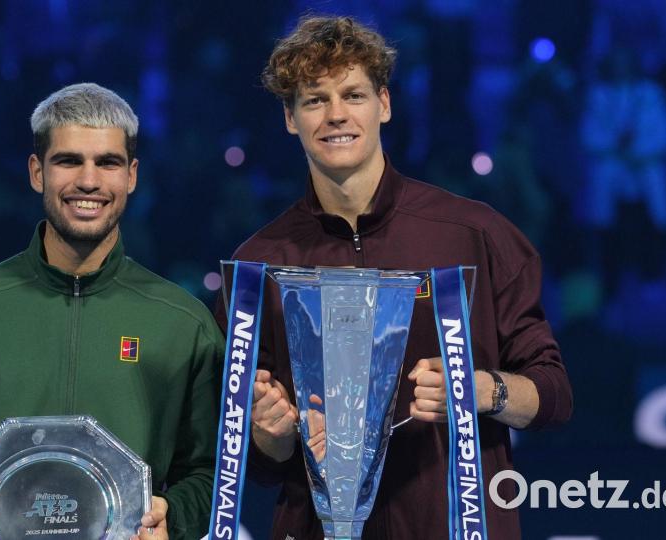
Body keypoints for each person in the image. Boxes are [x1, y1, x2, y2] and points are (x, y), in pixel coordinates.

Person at [223, 16, 573, 539]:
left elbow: (554, 395)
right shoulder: (259, 263)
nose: (336, 115)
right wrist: (270, 432)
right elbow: (263, 462)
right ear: (290, 119)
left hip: (453, 525)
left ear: (384, 104)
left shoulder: (474, 233)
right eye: (315, 100)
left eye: (353, 95)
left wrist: (478, 390)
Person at [0, 83, 223, 540]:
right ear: (36, 172)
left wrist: (174, 516)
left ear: (132, 175)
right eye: (69, 161)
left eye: (108, 162)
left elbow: (210, 471)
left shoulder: (184, 322)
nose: (88, 181)